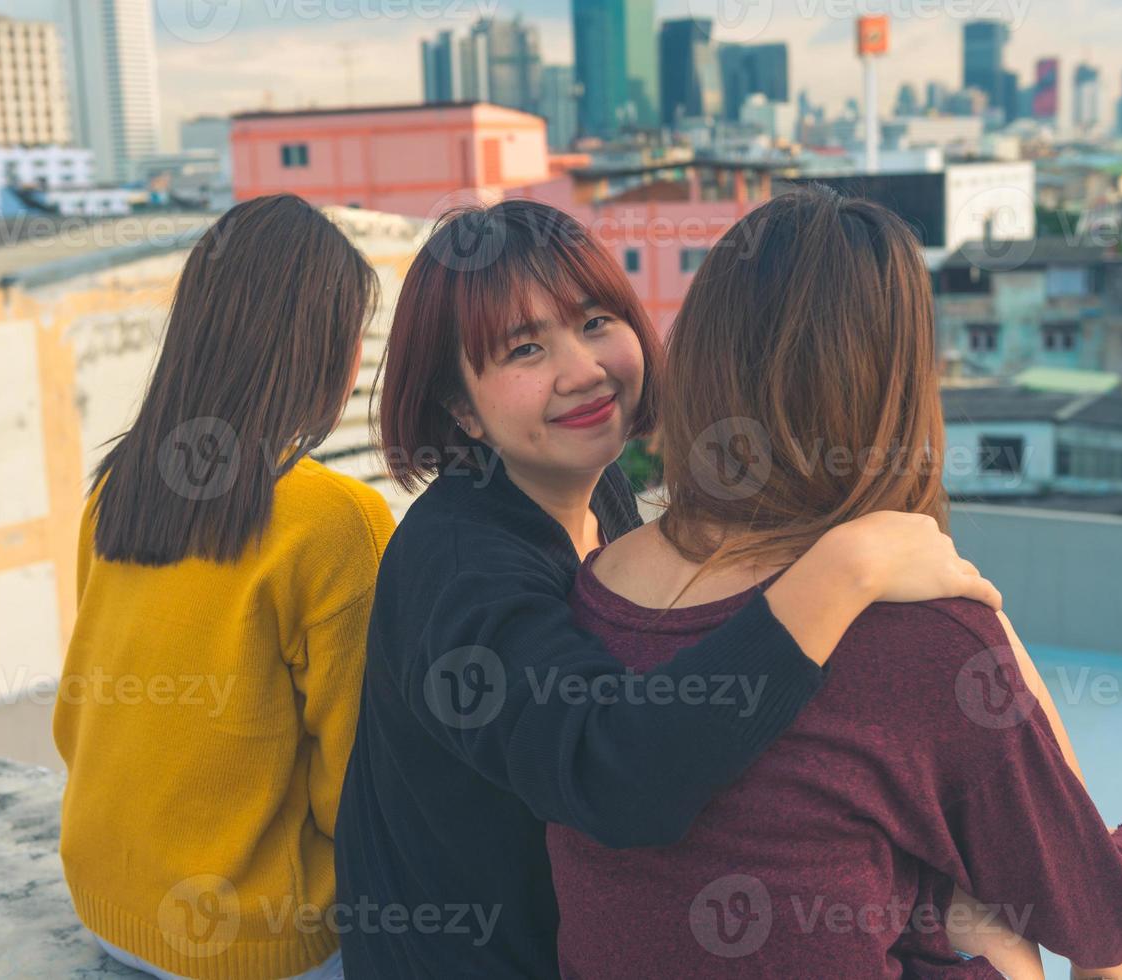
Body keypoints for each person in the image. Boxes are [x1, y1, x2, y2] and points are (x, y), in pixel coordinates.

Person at [334, 199, 1007, 978]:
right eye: (525, 349)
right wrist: (843, 570)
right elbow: (614, 775)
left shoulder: (603, 495)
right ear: (461, 409)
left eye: (595, 323)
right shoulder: (459, 566)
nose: (583, 370)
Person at [545, 187, 1122, 979]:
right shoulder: (922, 642)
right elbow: (1101, 917)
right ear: (897, 386)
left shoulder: (597, 586)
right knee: (1079, 960)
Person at [54, 195, 388, 980]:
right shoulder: (336, 519)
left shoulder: (119, 483)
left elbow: (80, 715)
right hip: (257, 945)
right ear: (327, 354)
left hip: (106, 902)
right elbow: (364, 788)